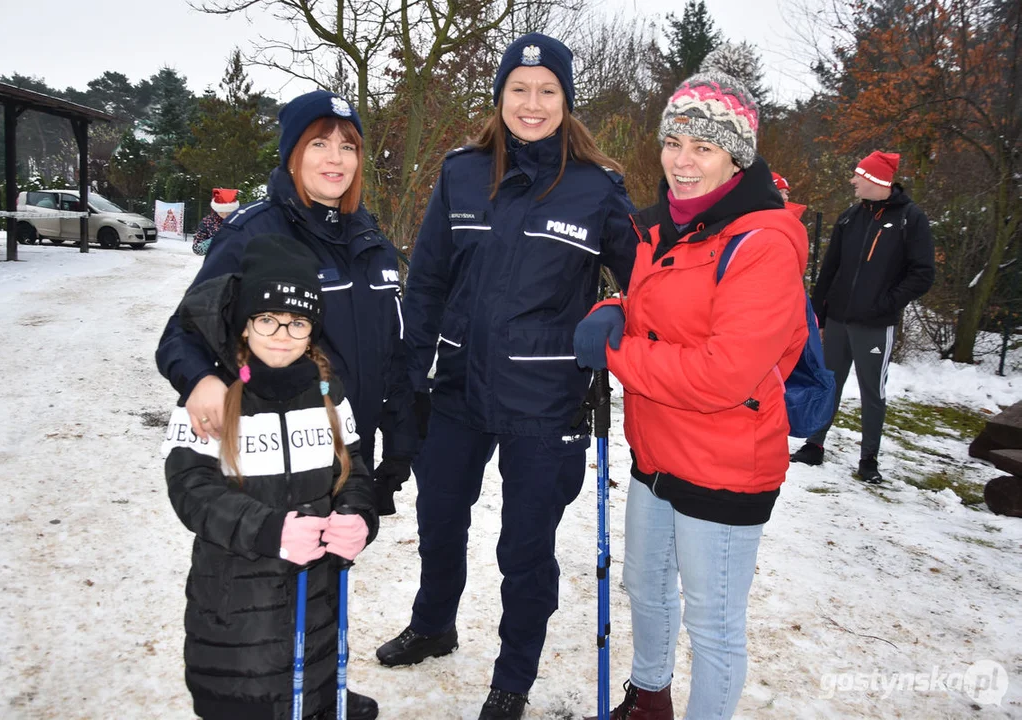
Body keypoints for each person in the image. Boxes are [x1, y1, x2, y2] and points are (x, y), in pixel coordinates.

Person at [377, 33, 638, 720]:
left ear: (565, 101)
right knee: (438, 517)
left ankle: (512, 678)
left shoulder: (596, 188)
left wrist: (612, 309)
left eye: (546, 91)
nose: (531, 103)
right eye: (518, 90)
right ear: (499, 98)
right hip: (458, 384)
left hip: (543, 398)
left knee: (524, 548)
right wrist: (411, 372)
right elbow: (428, 277)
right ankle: (433, 623)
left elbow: (643, 280)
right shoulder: (462, 173)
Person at [573, 45, 810, 719]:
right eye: (672, 142)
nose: (681, 160)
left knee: (711, 624)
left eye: (702, 146)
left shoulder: (760, 242)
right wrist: (613, 307)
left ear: (736, 157)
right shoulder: (665, 228)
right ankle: (648, 700)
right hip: (656, 451)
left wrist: (615, 353)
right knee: (645, 588)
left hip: (725, 462)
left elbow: (721, 373)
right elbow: (660, 313)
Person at [156, 90, 415, 529]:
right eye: (319, 143)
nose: (336, 158)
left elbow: (393, 353)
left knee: (327, 592)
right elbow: (183, 333)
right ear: (292, 154)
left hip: (351, 458)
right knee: (262, 589)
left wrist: (398, 445)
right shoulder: (252, 234)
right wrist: (201, 379)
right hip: (274, 466)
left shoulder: (372, 243)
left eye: (347, 146)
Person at [162, 235, 379, 720]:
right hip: (235, 604)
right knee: (247, 701)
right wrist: (267, 530)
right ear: (245, 326)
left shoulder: (327, 392)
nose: (282, 333)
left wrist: (357, 513)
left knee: (312, 678)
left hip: (315, 591)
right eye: (267, 319)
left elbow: (353, 469)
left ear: (312, 330)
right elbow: (191, 489)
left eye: (297, 321)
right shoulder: (213, 398)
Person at [790, 151, 935, 483]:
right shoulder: (848, 218)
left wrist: (885, 304)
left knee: (873, 391)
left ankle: (869, 458)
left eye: (859, 176)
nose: (853, 181)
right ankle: (814, 444)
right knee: (828, 383)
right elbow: (829, 272)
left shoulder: (910, 219)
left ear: (876, 181)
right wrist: (819, 317)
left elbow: (923, 274)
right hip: (838, 321)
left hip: (875, 325)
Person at [192, 187, 240, 256]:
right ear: (216, 209)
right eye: (221, 212)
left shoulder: (240, 219)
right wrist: (215, 240)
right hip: (216, 261)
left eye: (229, 212)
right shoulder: (207, 222)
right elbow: (197, 249)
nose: (225, 215)